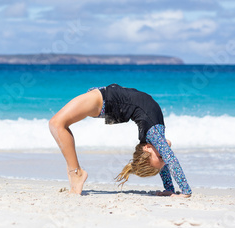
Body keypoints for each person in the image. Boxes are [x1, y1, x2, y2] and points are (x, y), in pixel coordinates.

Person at [48, 83, 191, 197]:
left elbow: (168, 161)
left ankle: (76, 173)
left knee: (57, 124)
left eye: (161, 156)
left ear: (147, 148)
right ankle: (74, 171)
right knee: (58, 124)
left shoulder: (152, 135)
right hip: (105, 100)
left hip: (104, 101)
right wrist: (171, 189)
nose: (166, 155)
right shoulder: (155, 134)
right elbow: (169, 161)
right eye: (162, 157)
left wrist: (182, 190)